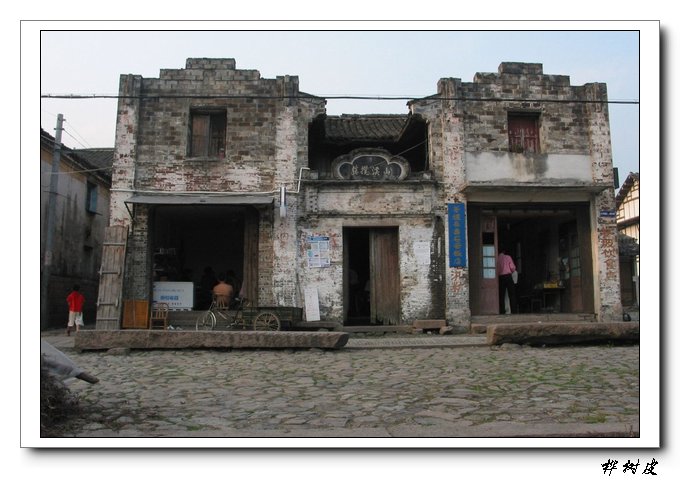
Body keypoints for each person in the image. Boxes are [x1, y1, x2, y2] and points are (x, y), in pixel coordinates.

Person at [497, 249, 517, 314]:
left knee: (501, 295)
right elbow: (512, 268)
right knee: (512, 294)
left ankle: (502, 311)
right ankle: (513, 311)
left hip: (500, 277)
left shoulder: (496, 259)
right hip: (508, 277)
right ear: (504, 251)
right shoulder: (508, 257)